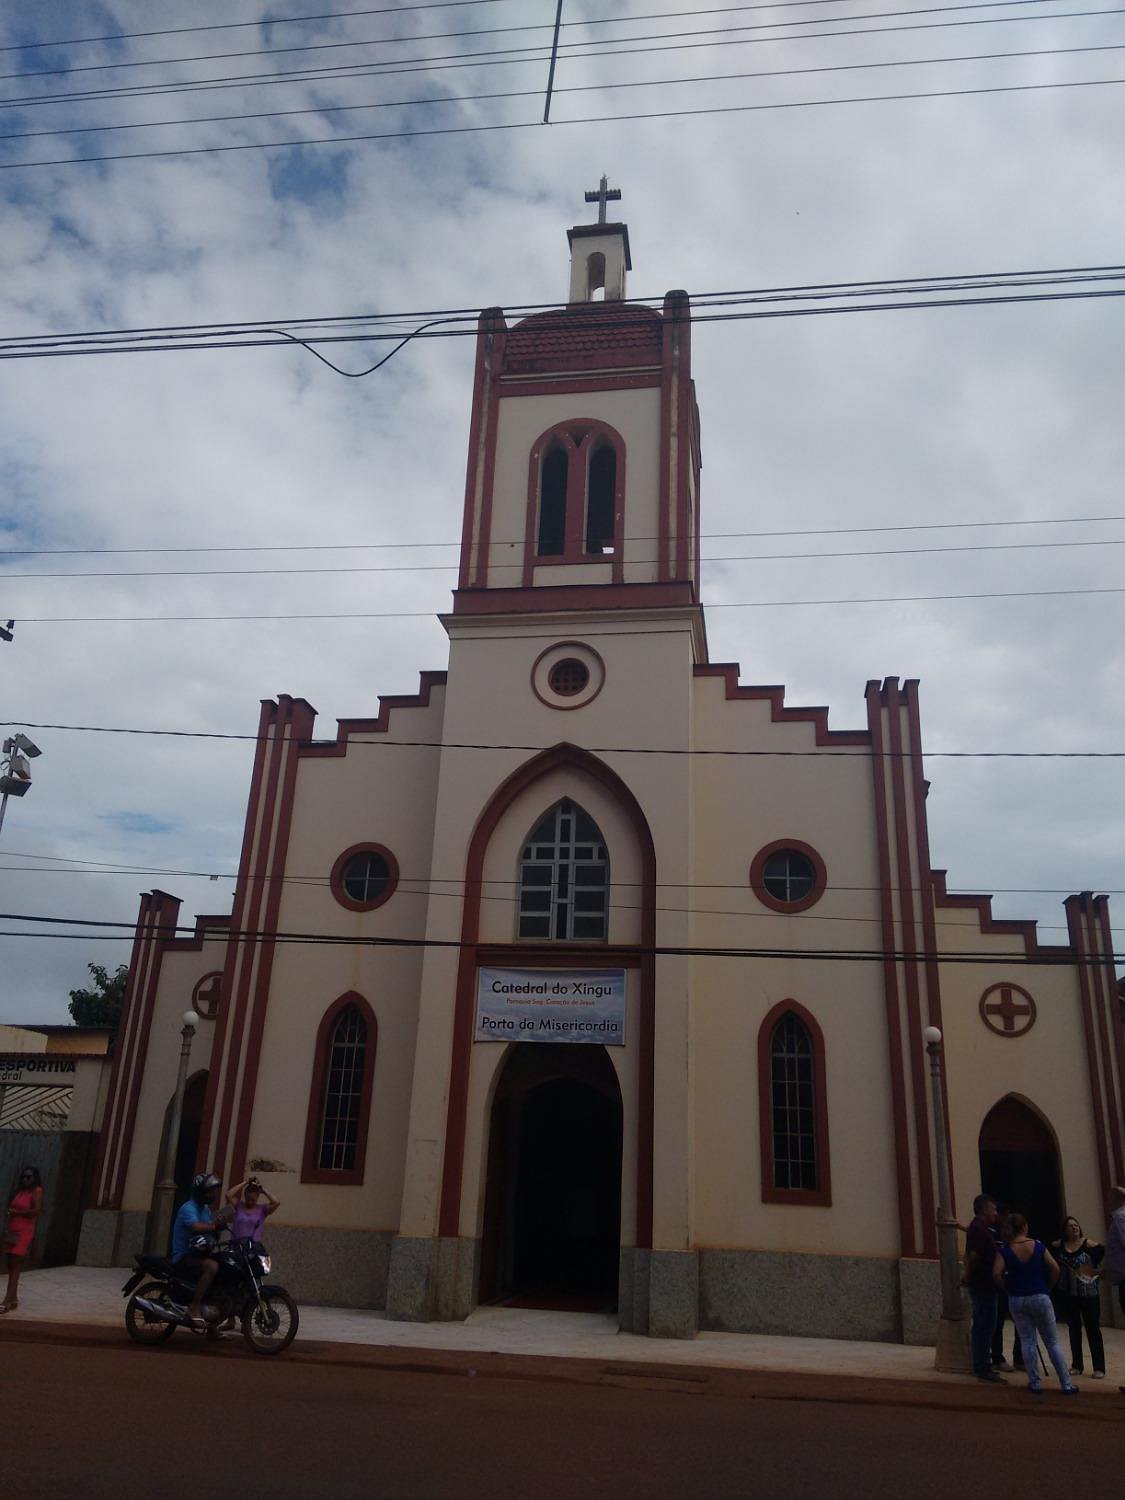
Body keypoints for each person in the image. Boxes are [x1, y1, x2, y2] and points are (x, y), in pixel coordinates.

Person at [993, 1211, 1078, 1395]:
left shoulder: (1006, 1250)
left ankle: (1035, 1382)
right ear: (1025, 1227)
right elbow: (1055, 1268)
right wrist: (1048, 1286)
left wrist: (1007, 1288)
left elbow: (996, 1274)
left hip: (1017, 1298)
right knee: (1052, 1341)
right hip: (1040, 1295)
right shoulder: (1038, 1246)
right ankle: (1066, 1383)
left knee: (1027, 1340)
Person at [1051, 1216, 1105, 1379]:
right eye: (1070, 1226)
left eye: (1076, 1225)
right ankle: (1077, 1365)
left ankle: (1099, 1367)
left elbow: (1101, 1252)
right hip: (1069, 1294)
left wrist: (1094, 1271)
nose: (1074, 1228)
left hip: (1089, 1294)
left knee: (1093, 1330)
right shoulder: (1060, 1246)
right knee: (1074, 1330)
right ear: (1065, 1230)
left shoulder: (1088, 1244)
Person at [171, 1171, 224, 1331]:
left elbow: (209, 1226)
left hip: (199, 1253)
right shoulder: (189, 1208)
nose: (212, 1194)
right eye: (209, 1191)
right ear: (200, 1192)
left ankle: (214, 1325)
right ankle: (194, 1307)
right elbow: (195, 1226)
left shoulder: (205, 1209)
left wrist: (218, 1225)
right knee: (212, 1267)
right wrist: (214, 1226)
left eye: (213, 1191)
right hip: (184, 1256)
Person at [961, 1193, 1004, 1382]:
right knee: (984, 1325)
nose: (995, 1212)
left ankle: (982, 1363)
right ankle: (982, 1366)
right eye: (993, 1208)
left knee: (985, 1324)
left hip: (985, 1284)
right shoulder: (979, 1229)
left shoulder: (982, 1228)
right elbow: (974, 1256)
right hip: (983, 1284)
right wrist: (968, 1275)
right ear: (985, 1208)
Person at [2, 1166, 44, 1314]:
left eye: (29, 1177)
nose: (26, 1179)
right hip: (13, 1229)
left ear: (35, 1178)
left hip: (24, 1230)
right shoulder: (19, 1192)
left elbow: (36, 1211)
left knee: (16, 1262)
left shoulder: (36, 1191)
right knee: (10, 1263)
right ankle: (13, 1298)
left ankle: (7, 1299)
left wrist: (17, 1212)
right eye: (24, 1177)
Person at [225, 1176, 280, 1241]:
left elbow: (276, 1202)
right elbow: (228, 1195)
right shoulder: (239, 1205)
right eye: (248, 1199)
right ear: (245, 1196)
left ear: (257, 1197)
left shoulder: (262, 1210)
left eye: (253, 1200)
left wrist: (263, 1190)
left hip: (253, 1247)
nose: (250, 1202)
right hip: (237, 1245)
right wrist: (245, 1182)